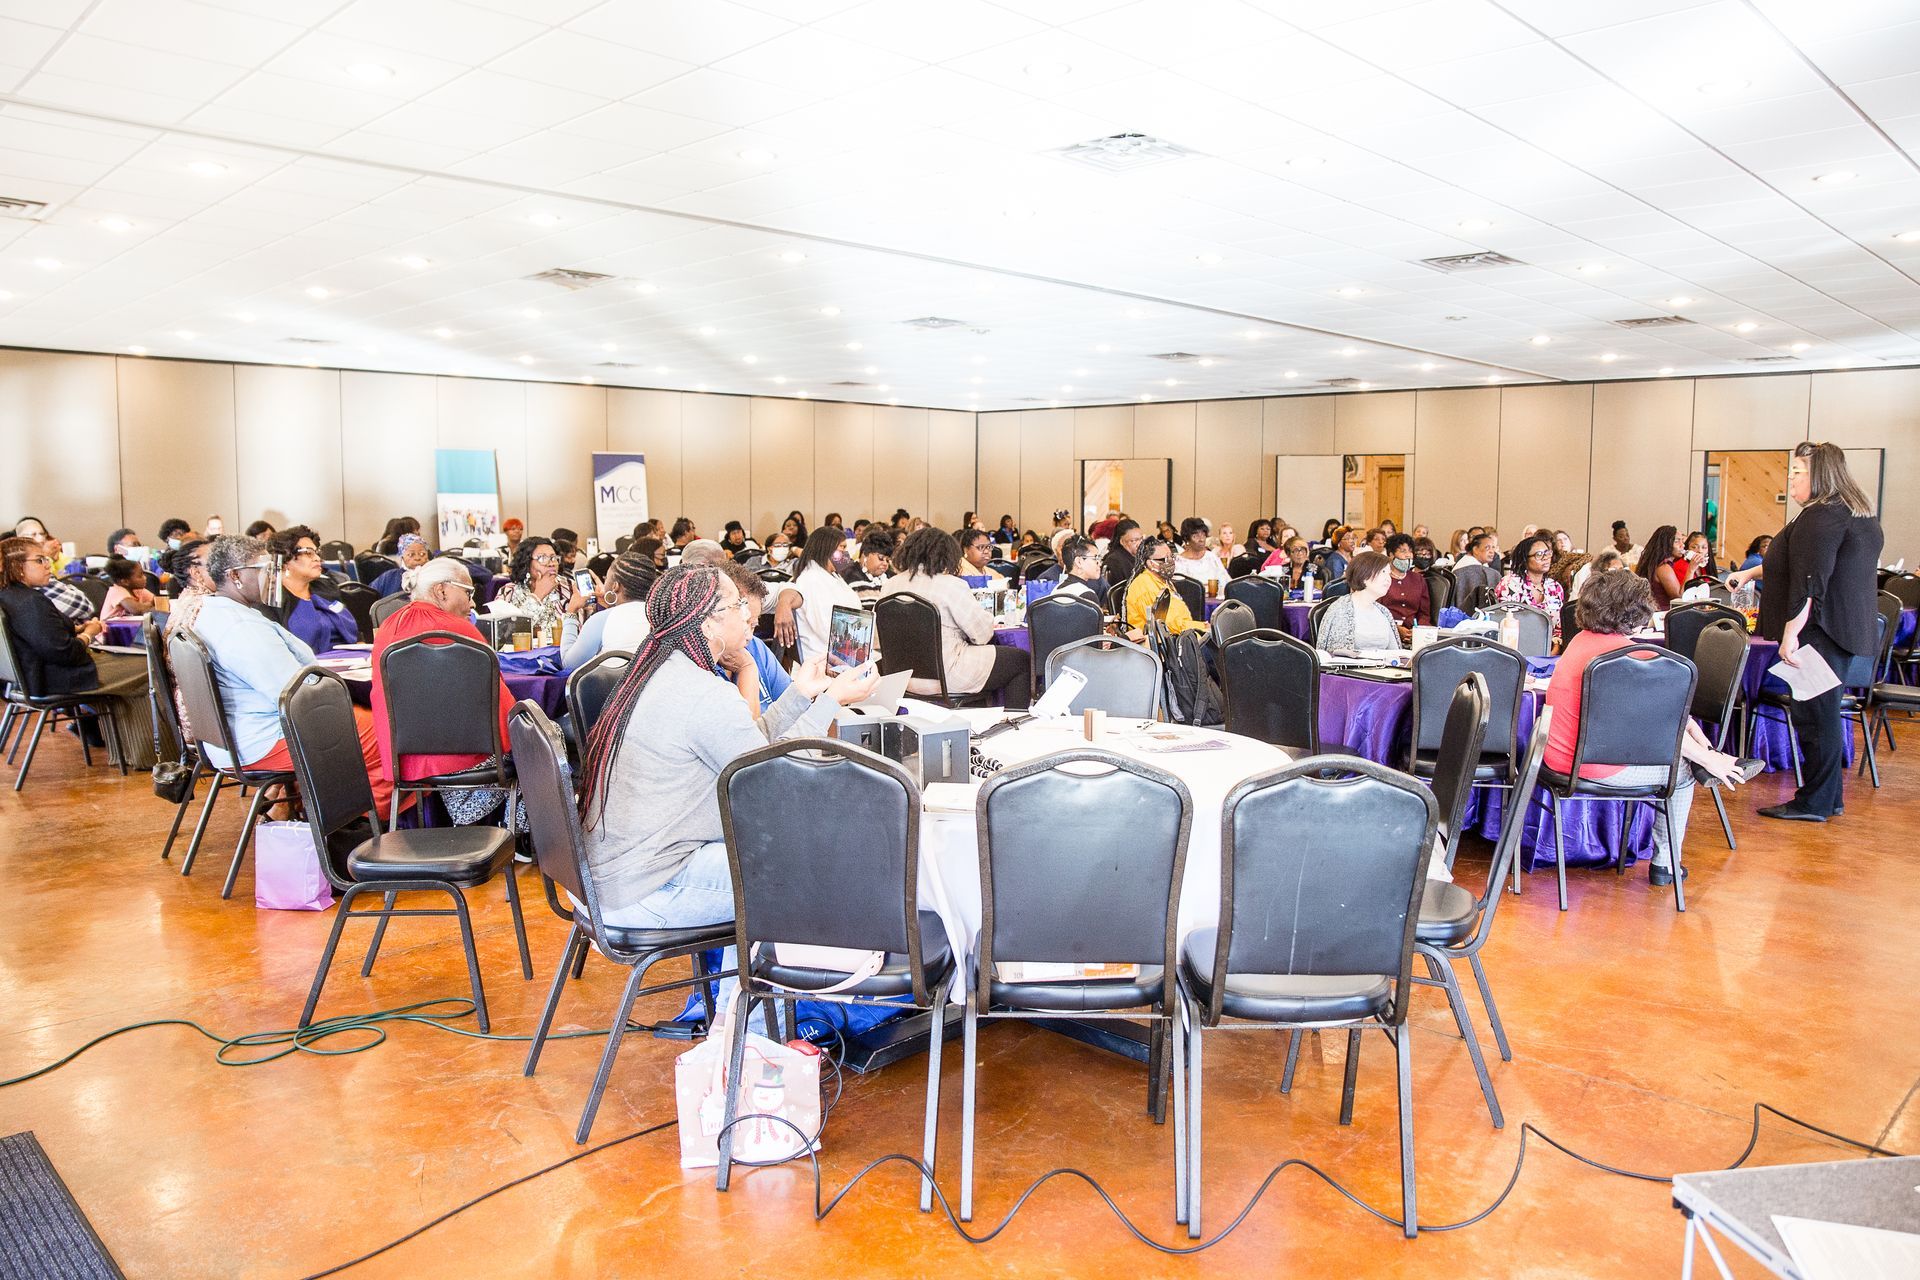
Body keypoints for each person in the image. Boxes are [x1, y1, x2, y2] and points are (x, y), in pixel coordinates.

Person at [574, 565, 878, 954]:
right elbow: (774, 778)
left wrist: (801, 694)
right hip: (645, 891)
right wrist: (832, 702)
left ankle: (734, 1009)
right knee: (808, 865)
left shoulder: (661, 670)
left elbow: (748, 749)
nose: (751, 614)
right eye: (738, 605)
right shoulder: (702, 694)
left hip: (609, 880)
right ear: (709, 624)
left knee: (769, 853)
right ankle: (749, 1014)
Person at [1545, 570, 1757, 885]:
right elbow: (1655, 727)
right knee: (1682, 771)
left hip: (1556, 755)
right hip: (1588, 766)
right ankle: (1665, 863)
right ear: (1636, 611)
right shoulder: (1630, 656)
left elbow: (1668, 716)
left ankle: (1715, 761)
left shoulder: (1581, 641)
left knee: (1686, 751)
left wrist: (1707, 748)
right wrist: (1705, 758)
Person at [189, 535, 404, 814]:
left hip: (237, 736)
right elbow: (297, 695)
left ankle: (317, 809)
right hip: (266, 739)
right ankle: (356, 824)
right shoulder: (241, 627)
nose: (273, 576)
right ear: (235, 576)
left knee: (365, 720)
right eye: (265, 569)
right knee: (390, 734)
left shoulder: (212, 612)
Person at [1753, 442, 1885, 823]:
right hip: (1842, 631)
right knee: (1821, 713)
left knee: (1815, 715)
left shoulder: (1821, 517)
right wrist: (1748, 574)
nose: (1790, 478)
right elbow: (1804, 563)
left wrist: (1791, 633)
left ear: (1819, 475)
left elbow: (1812, 581)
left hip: (1820, 632)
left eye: (1797, 472)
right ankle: (1827, 798)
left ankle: (1815, 802)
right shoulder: (1854, 513)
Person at [371, 557, 517, 827]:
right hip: (464, 759)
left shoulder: (387, 627)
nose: (473, 603)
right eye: (469, 592)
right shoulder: (461, 630)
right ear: (442, 590)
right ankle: (519, 833)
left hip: (402, 761)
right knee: (539, 739)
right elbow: (501, 707)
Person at [0, 535, 154, 760]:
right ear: (17, 567)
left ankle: (129, 751)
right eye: (40, 560)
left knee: (133, 665)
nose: (48, 565)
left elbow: (40, 637)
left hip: (33, 676)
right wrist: (89, 635)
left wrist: (77, 630)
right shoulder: (30, 602)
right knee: (148, 666)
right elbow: (65, 653)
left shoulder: (11, 597)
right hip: (59, 677)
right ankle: (144, 754)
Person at [881, 528, 1030, 707]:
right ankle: (1013, 724)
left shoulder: (889, 586)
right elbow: (982, 635)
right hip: (947, 676)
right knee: (1019, 660)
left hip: (902, 678)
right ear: (947, 555)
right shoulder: (951, 585)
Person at [771, 527, 866, 665]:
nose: (846, 554)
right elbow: (825, 629)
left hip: (847, 649)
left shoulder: (832, 576)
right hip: (825, 658)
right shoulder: (811, 579)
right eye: (842, 548)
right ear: (827, 548)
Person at [718, 561, 793, 715]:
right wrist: (747, 668)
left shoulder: (756, 647)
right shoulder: (702, 668)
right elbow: (745, 734)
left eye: (753, 625)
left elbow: (792, 704)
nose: (749, 636)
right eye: (744, 623)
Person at [562, 549, 657, 670]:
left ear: (615, 586)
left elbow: (569, 664)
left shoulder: (601, 620)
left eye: (607, 578)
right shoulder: (663, 615)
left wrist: (571, 613)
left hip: (616, 688)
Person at [270, 526, 359, 652]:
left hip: (348, 662)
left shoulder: (327, 588)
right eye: (308, 553)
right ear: (285, 560)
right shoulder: (272, 600)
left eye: (317, 553)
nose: (317, 558)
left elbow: (353, 631)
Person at [494, 536, 589, 645]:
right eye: (542, 558)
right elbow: (503, 636)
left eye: (553, 558)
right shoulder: (508, 592)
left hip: (562, 656)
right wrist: (538, 596)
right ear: (526, 562)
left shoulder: (570, 588)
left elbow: (581, 632)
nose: (551, 563)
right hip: (520, 658)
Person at [1317, 552, 1401, 653]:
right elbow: (1335, 656)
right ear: (1364, 575)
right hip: (1350, 668)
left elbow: (1396, 653)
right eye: (1383, 572)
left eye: (1389, 574)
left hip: (1382, 667)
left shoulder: (1383, 612)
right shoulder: (1341, 609)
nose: (1388, 579)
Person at [1124, 537, 1207, 637]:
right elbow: (1168, 625)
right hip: (1161, 645)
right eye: (1165, 559)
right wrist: (1203, 627)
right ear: (1150, 563)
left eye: (1171, 557)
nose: (1170, 562)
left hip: (1180, 635)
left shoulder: (1162, 580)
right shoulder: (1145, 587)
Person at [1497, 534, 1566, 644]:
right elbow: (1505, 622)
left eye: (1548, 553)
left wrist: (1556, 646)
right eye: (1539, 554)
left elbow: (1559, 627)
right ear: (1525, 559)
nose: (1546, 558)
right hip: (1517, 644)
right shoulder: (1510, 584)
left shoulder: (1555, 587)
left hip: (1552, 647)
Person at [1380, 533, 1432, 639]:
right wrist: (1395, 628)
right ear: (1391, 554)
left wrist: (1418, 630)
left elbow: (1424, 613)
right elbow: (1376, 612)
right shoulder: (1381, 578)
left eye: (1410, 551)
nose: (1408, 555)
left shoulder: (1418, 579)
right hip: (1387, 632)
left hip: (1415, 631)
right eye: (1403, 551)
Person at [1634, 526, 1687, 610]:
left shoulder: (1655, 563)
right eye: (1677, 541)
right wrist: (1691, 569)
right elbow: (1679, 597)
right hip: (1661, 615)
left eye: (1682, 541)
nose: (1682, 545)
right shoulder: (1663, 567)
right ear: (1666, 544)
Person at [1171, 517, 1228, 593]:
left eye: (1203, 535)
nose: (1201, 539)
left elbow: (1226, 581)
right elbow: (1180, 589)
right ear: (1187, 539)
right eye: (1196, 536)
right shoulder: (1179, 562)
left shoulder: (1211, 557)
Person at [1451, 531, 1503, 609]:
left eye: (1493, 547)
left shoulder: (1482, 565)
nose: (1492, 551)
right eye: (1487, 547)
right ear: (1475, 549)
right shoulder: (1469, 569)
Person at [369, 533, 431, 597]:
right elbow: (368, 596)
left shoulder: (434, 575)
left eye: (422, 554)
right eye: (411, 554)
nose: (417, 558)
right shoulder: (389, 577)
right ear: (402, 556)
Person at [100, 556, 160, 621]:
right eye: (140, 576)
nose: (145, 578)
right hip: (110, 629)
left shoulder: (138, 590)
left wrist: (147, 606)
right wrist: (149, 605)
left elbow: (158, 602)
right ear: (125, 582)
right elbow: (136, 610)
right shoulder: (116, 591)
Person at [1050, 536, 1108, 603]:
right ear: (1079, 562)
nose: (1099, 564)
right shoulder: (1086, 595)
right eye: (1095, 558)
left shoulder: (1056, 590)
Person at [840, 527, 893, 600]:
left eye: (887, 560)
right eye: (881, 558)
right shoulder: (849, 577)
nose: (885, 564)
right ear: (865, 555)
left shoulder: (891, 578)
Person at [1101, 519, 1143, 591]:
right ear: (1122, 542)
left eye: (1141, 539)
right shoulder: (1114, 561)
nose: (1139, 544)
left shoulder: (1139, 557)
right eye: (1133, 541)